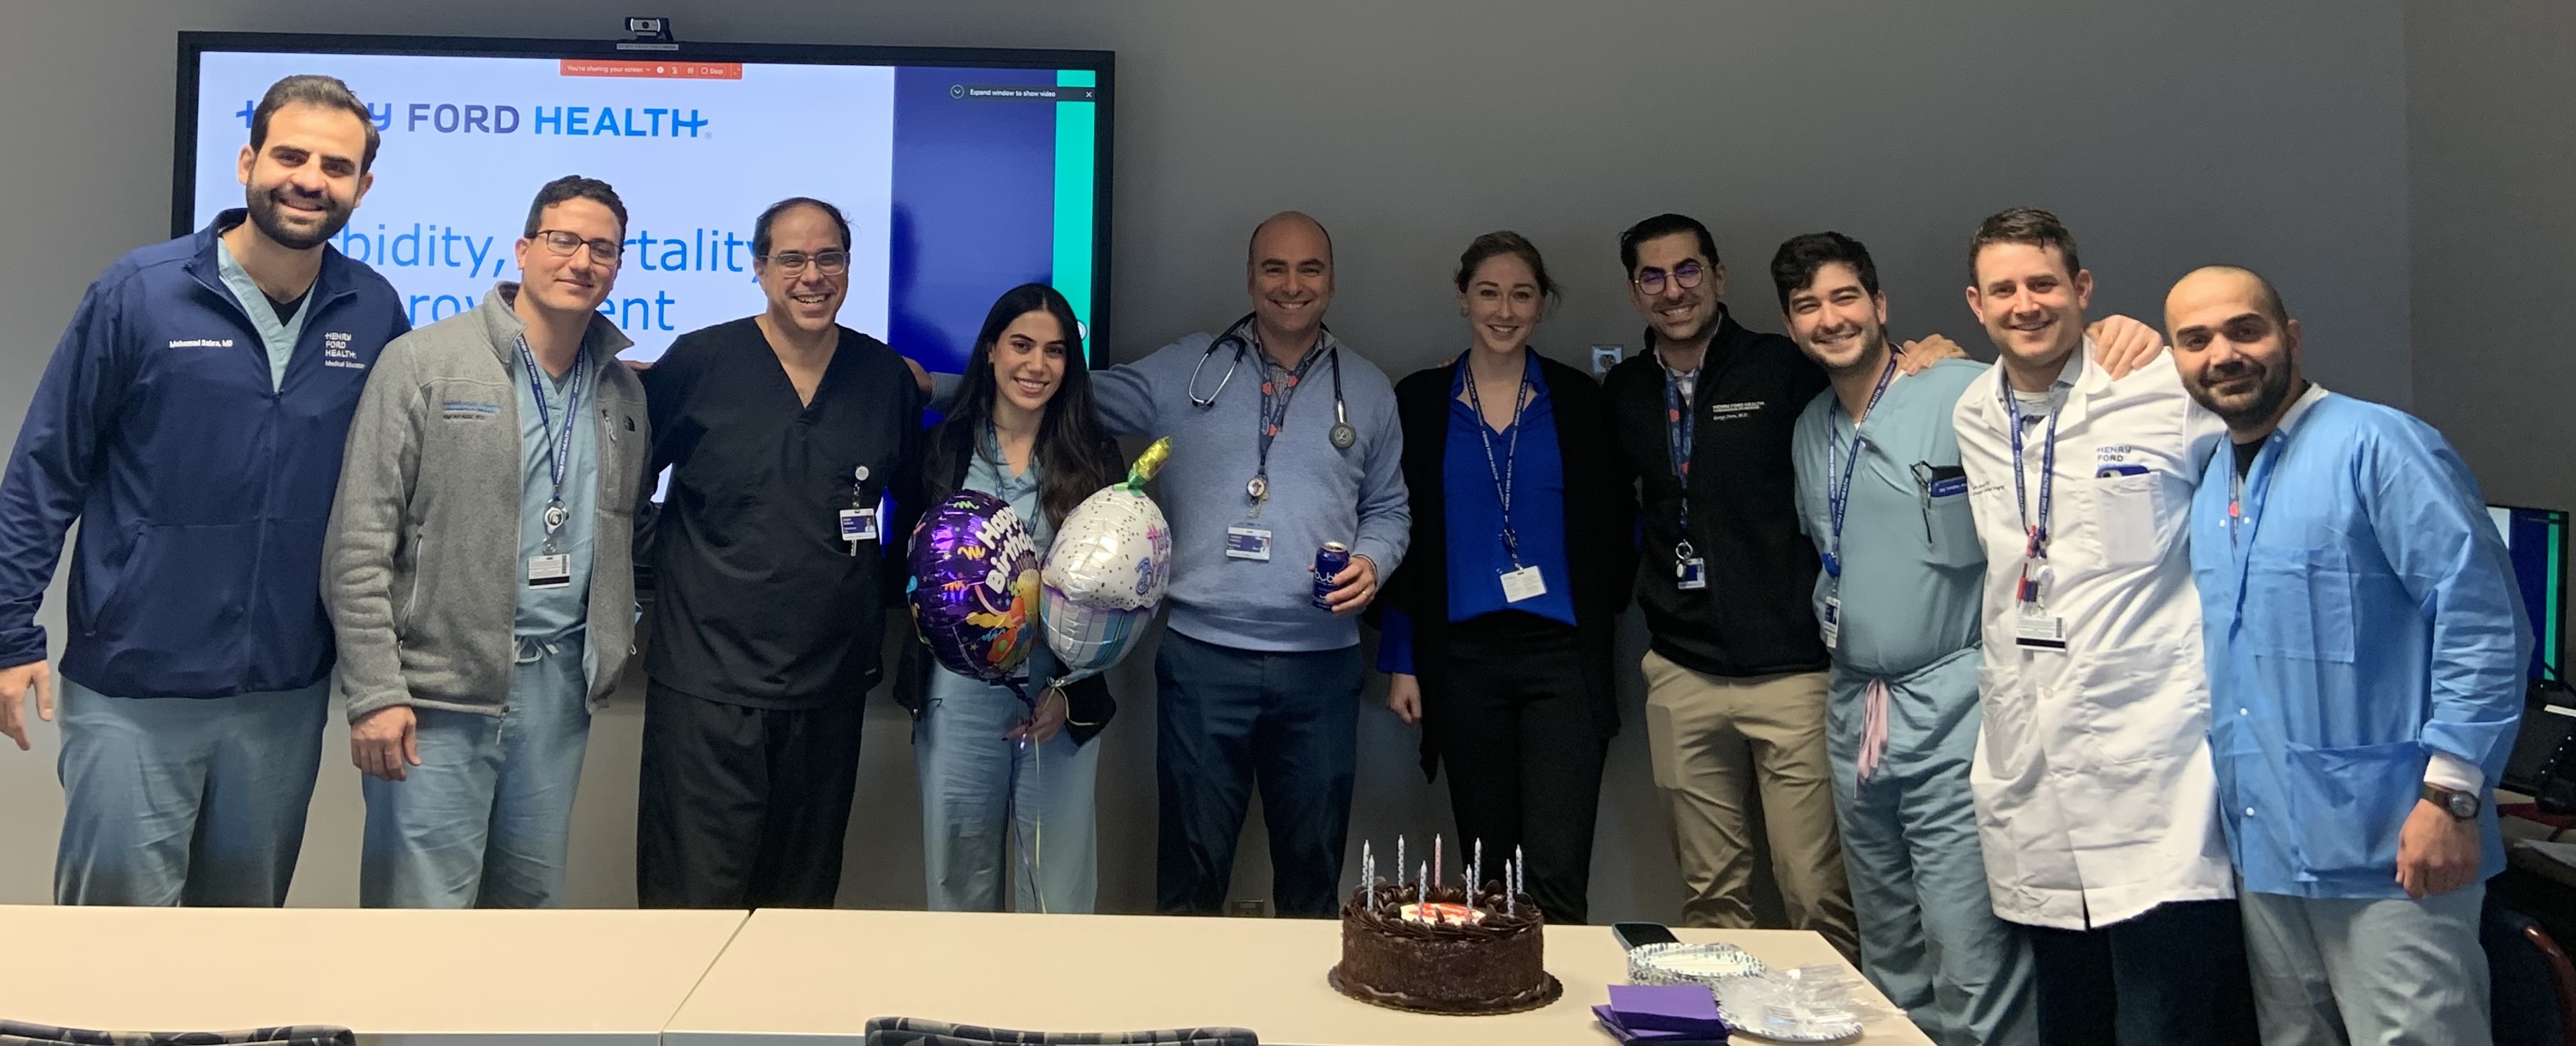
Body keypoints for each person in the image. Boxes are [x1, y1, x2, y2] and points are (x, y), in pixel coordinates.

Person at [0, 75, 408, 905]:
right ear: (248, 161)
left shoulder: (372, 310)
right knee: (113, 946)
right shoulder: (140, 293)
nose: (309, 179)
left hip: (283, 693)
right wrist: (10, 635)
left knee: (241, 941)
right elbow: (45, 470)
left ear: (362, 188)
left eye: (335, 166)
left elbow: (395, 498)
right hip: (135, 682)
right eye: (290, 156)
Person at [927, 212, 1405, 917]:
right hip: (1203, 658)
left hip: (1321, 665)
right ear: (1249, 278)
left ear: (1331, 281)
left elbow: (1389, 508)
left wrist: (1371, 559)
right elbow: (1056, 386)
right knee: (1190, 872)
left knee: (1312, 870)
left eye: (1309, 269)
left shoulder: (1365, 389)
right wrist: (926, 384)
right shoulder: (1188, 369)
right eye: (1273, 268)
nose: (1291, 285)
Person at [2170, 264, 2526, 1045]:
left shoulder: (2380, 446)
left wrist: (2452, 797)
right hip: (2266, 850)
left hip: (2394, 848)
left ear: (2290, 337)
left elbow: (2481, 621)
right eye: (2195, 340)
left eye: (2244, 330)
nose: (2222, 354)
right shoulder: (2211, 480)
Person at [1950, 208, 2256, 1044]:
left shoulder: (2159, 386)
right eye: (2002, 290)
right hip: (2032, 766)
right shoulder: (1973, 413)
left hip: (2155, 767)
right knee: (2070, 1017)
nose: (2024, 305)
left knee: (2165, 1020)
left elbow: (2259, 481)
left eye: (2043, 283)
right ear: (1975, 305)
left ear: (2081, 289)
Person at [322, 176, 649, 908]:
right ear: (524, 250)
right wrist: (374, 691)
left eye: (602, 249)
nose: (582, 261)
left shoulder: (620, 393)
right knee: (421, 922)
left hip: (558, 694)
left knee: (526, 918)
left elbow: (617, 528)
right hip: (437, 699)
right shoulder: (424, 363)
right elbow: (359, 539)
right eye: (563, 240)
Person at [1773, 232, 2035, 1045]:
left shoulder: (1962, 389)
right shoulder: (1809, 429)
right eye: (1808, 306)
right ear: (1790, 327)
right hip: (1855, 708)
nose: (1830, 319)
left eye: (1844, 297)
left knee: (1968, 942)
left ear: (1879, 304)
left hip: (1953, 700)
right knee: (1886, 947)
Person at [634, 196, 925, 908]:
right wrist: (675, 564)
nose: (811, 276)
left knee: (800, 905)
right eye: (791, 259)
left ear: (848, 267)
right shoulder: (700, 362)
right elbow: (620, 485)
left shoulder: (883, 377)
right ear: (759, 268)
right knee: (693, 904)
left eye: (829, 258)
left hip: (829, 686)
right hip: (707, 684)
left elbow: (916, 511)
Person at [1375, 232, 1633, 924]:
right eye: (1488, 293)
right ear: (1463, 298)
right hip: (1462, 660)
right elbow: (1399, 535)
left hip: (1562, 659)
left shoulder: (1577, 400)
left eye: (1521, 294)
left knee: (1556, 868)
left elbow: (1615, 525)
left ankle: (1557, 993)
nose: (1504, 310)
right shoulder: (1421, 402)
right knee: (1488, 871)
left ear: (1541, 304)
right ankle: (1498, 985)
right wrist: (1403, 658)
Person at [894, 282, 1124, 913]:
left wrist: (1071, 688)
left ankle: (1051, 991)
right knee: (958, 883)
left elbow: (1119, 591)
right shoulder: (942, 450)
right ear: (991, 350)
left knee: (1057, 892)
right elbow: (909, 574)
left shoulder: (1095, 460)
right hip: (958, 693)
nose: (1036, 365)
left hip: (1061, 696)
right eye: (1021, 345)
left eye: (1054, 351)